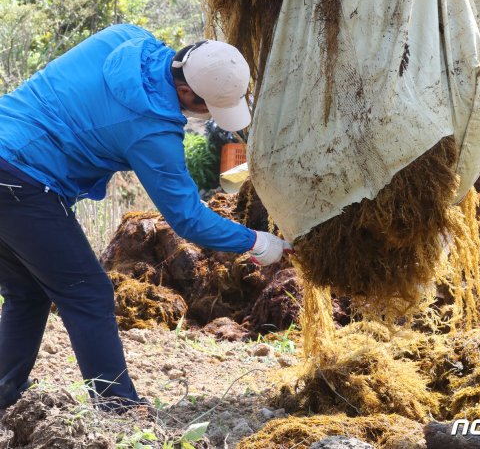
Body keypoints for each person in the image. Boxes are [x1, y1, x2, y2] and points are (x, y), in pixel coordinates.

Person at [0, 24, 289, 413]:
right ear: (185, 91)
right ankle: (118, 408)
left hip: (9, 158)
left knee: (28, 291)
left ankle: (4, 392)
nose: (206, 115)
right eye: (207, 106)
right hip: (21, 181)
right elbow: (188, 219)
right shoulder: (151, 131)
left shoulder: (125, 37)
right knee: (88, 292)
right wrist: (258, 242)